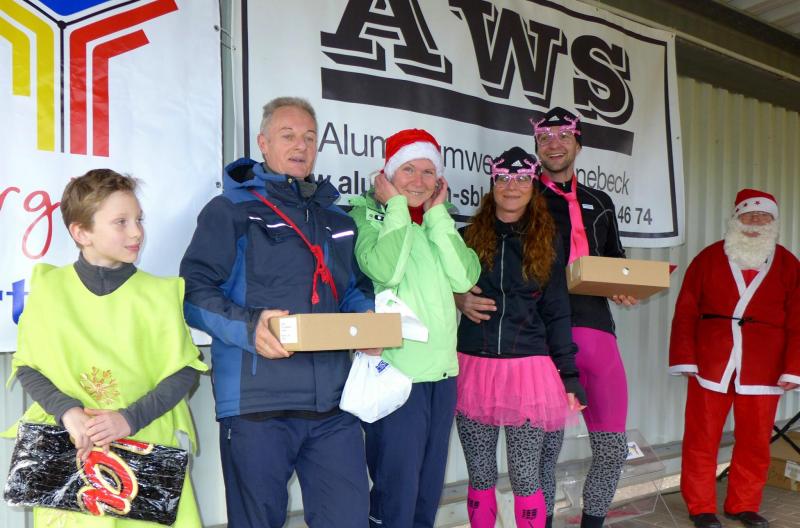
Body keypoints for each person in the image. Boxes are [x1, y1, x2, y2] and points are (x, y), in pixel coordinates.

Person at [180, 97, 374, 528]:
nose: (300, 145)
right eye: (288, 136)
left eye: (309, 137)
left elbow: (353, 290)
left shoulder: (337, 219)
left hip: (333, 407)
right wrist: (250, 328)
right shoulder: (230, 211)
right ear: (263, 143)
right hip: (258, 406)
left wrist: (367, 323)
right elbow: (193, 295)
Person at [7, 169, 208, 527]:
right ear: (81, 232)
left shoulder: (161, 294)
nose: (136, 232)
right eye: (121, 222)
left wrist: (128, 418)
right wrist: (68, 411)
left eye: (139, 220)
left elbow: (185, 371)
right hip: (70, 443)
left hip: (144, 439)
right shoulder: (49, 289)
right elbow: (27, 366)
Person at [349, 128, 481, 528]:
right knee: (397, 492)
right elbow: (385, 270)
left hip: (442, 375)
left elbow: (464, 277)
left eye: (428, 172)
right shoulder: (366, 216)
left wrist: (438, 215)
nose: (419, 181)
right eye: (408, 169)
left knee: (427, 490)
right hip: (396, 373)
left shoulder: (435, 223)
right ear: (388, 174)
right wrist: (396, 209)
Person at [454, 147, 586, 528]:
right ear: (492, 183)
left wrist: (569, 375)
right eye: (504, 178)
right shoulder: (465, 238)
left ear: (533, 185)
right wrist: (456, 297)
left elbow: (557, 310)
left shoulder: (546, 240)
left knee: (526, 476)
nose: (512, 186)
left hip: (528, 372)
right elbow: (432, 287)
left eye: (522, 179)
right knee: (480, 475)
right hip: (473, 368)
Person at [669, 189, 800, 528]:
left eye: (764, 215)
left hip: (764, 366)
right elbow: (686, 310)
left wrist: (794, 368)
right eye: (749, 214)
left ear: (774, 222)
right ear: (735, 218)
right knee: (701, 437)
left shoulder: (789, 264)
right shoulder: (708, 258)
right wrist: (685, 358)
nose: (756, 221)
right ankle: (700, 506)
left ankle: (743, 504)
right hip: (711, 361)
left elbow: (798, 320)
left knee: (755, 441)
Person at [531, 107, 636, 527]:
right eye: (545, 138)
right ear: (537, 147)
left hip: (598, 335)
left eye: (563, 137)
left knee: (612, 448)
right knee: (541, 453)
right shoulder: (523, 198)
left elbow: (615, 261)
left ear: (578, 144)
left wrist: (624, 284)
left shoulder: (601, 202)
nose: (554, 145)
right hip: (543, 339)